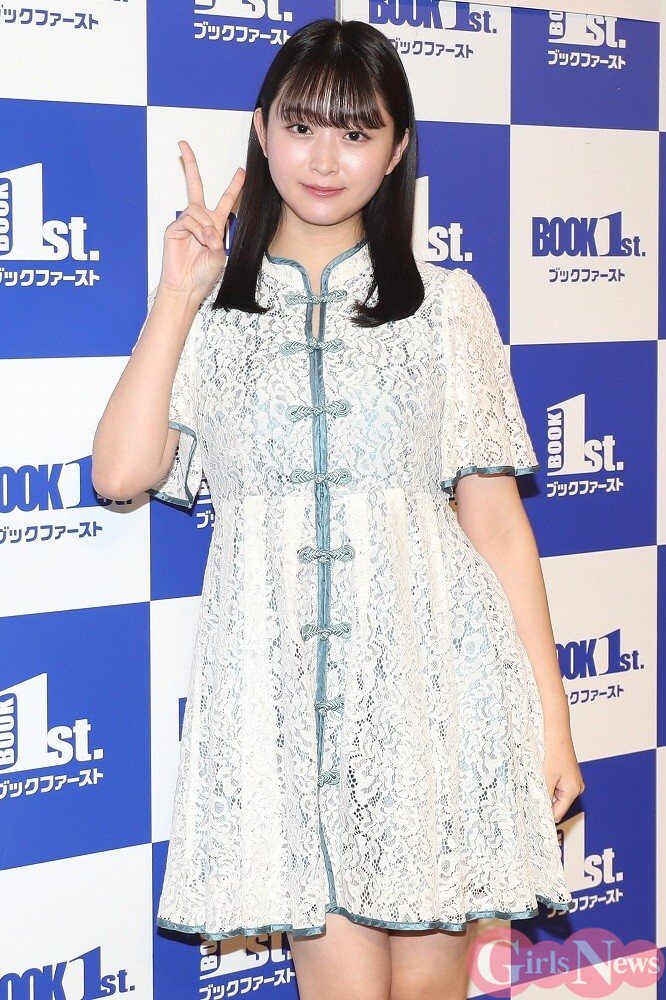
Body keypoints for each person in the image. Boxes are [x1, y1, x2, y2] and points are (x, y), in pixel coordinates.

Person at [92, 17, 584, 1000]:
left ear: (397, 150)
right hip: (285, 714)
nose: (325, 159)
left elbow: (495, 523)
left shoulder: (445, 306)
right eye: (303, 126)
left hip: (435, 698)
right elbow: (120, 472)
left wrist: (552, 719)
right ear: (262, 130)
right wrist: (179, 294)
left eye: (357, 133)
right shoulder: (212, 317)